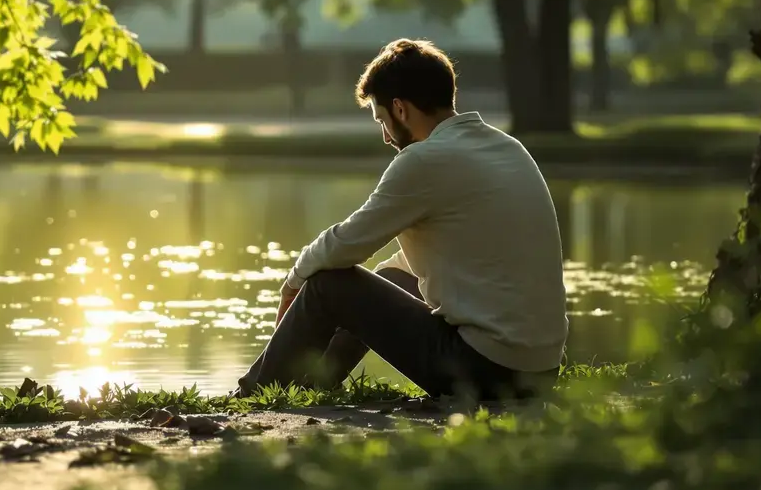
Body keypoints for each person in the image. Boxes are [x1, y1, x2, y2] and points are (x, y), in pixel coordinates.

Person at [236, 38, 568, 401]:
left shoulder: (423, 159)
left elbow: (343, 245)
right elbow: (445, 253)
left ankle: (254, 393)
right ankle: (315, 383)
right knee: (392, 276)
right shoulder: (507, 147)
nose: (385, 136)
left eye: (382, 120)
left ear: (400, 108)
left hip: (485, 373)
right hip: (539, 373)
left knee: (327, 283)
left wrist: (293, 283)